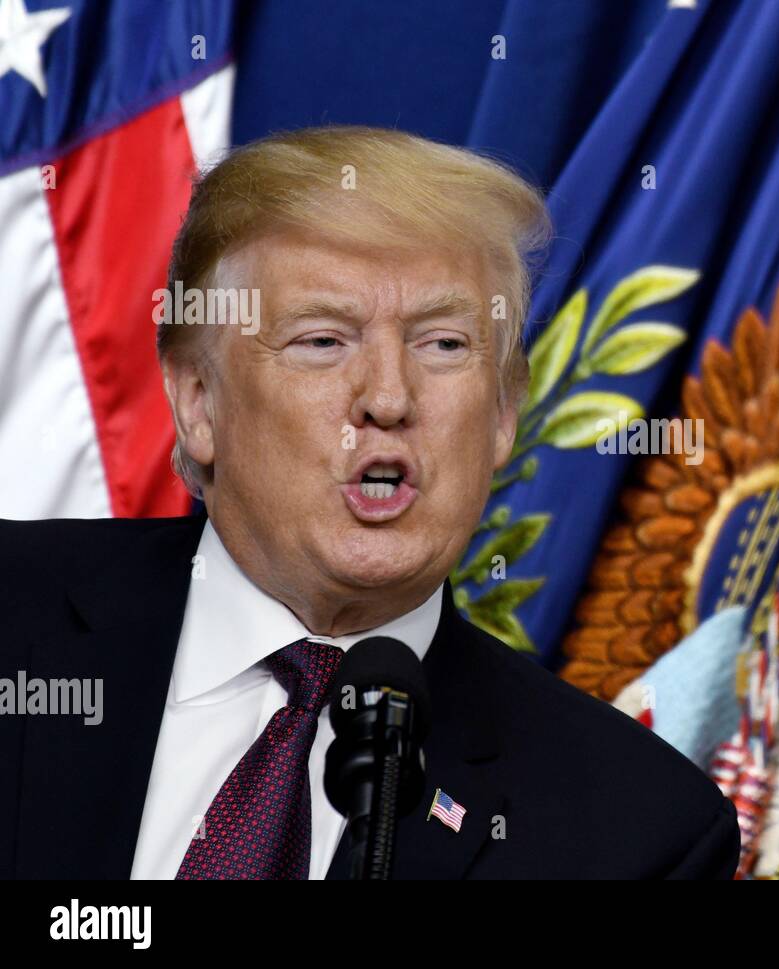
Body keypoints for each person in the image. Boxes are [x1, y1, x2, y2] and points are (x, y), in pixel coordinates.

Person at [0, 126, 739, 879]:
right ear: (198, 401)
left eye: (444, 344)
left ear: (502, 414)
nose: (388, 398)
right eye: (323, 340)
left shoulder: (638, 833)